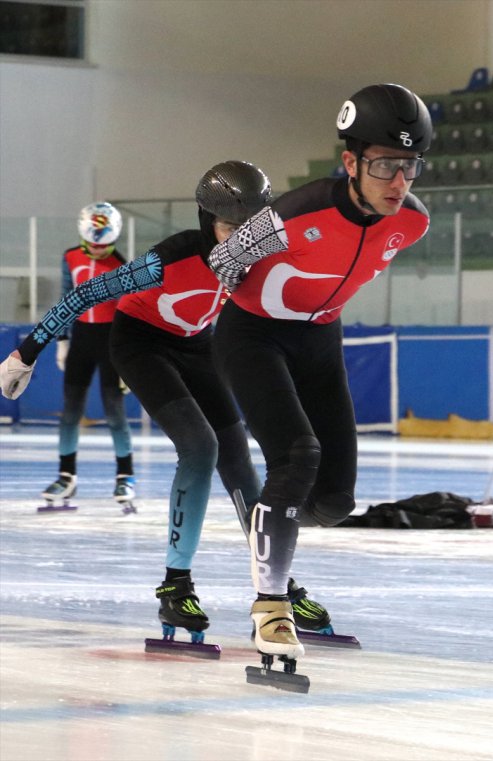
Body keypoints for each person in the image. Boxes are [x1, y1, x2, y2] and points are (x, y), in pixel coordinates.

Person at [0, 161, 331, 643]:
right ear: (205, 221)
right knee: (200, 447)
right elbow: (86, 294)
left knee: (238, 455)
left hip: (197, 346)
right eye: (229, 228)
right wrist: (25, 354)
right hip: (140, 344)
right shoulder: (170, 258)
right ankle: (175, 587)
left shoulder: (262, 258)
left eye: (250, 229)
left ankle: (277, 586)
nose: (240, 241)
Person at [205, 83, 432, 662]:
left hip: (318, 339)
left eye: (409, 167)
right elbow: (223, 259)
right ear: (350, 162)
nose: (398, 183)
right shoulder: (296, 211)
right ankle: (271, 607)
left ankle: (269, 515)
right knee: (298, 455)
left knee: (333, 500)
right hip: (253, 335)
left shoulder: (412, 223)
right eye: (384, 165)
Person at [41, 202, 135, 508]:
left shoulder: (122, 265)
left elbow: (129, 311)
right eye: (94, 245)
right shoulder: (70, 257)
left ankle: (125, 477)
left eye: (105, 246)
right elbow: (67, 297)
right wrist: (62, 339)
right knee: (70, 412)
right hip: (81, 339)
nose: (98, 251)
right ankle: (66, 476)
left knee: (114, 413)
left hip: (111, 342)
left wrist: (128, 353)